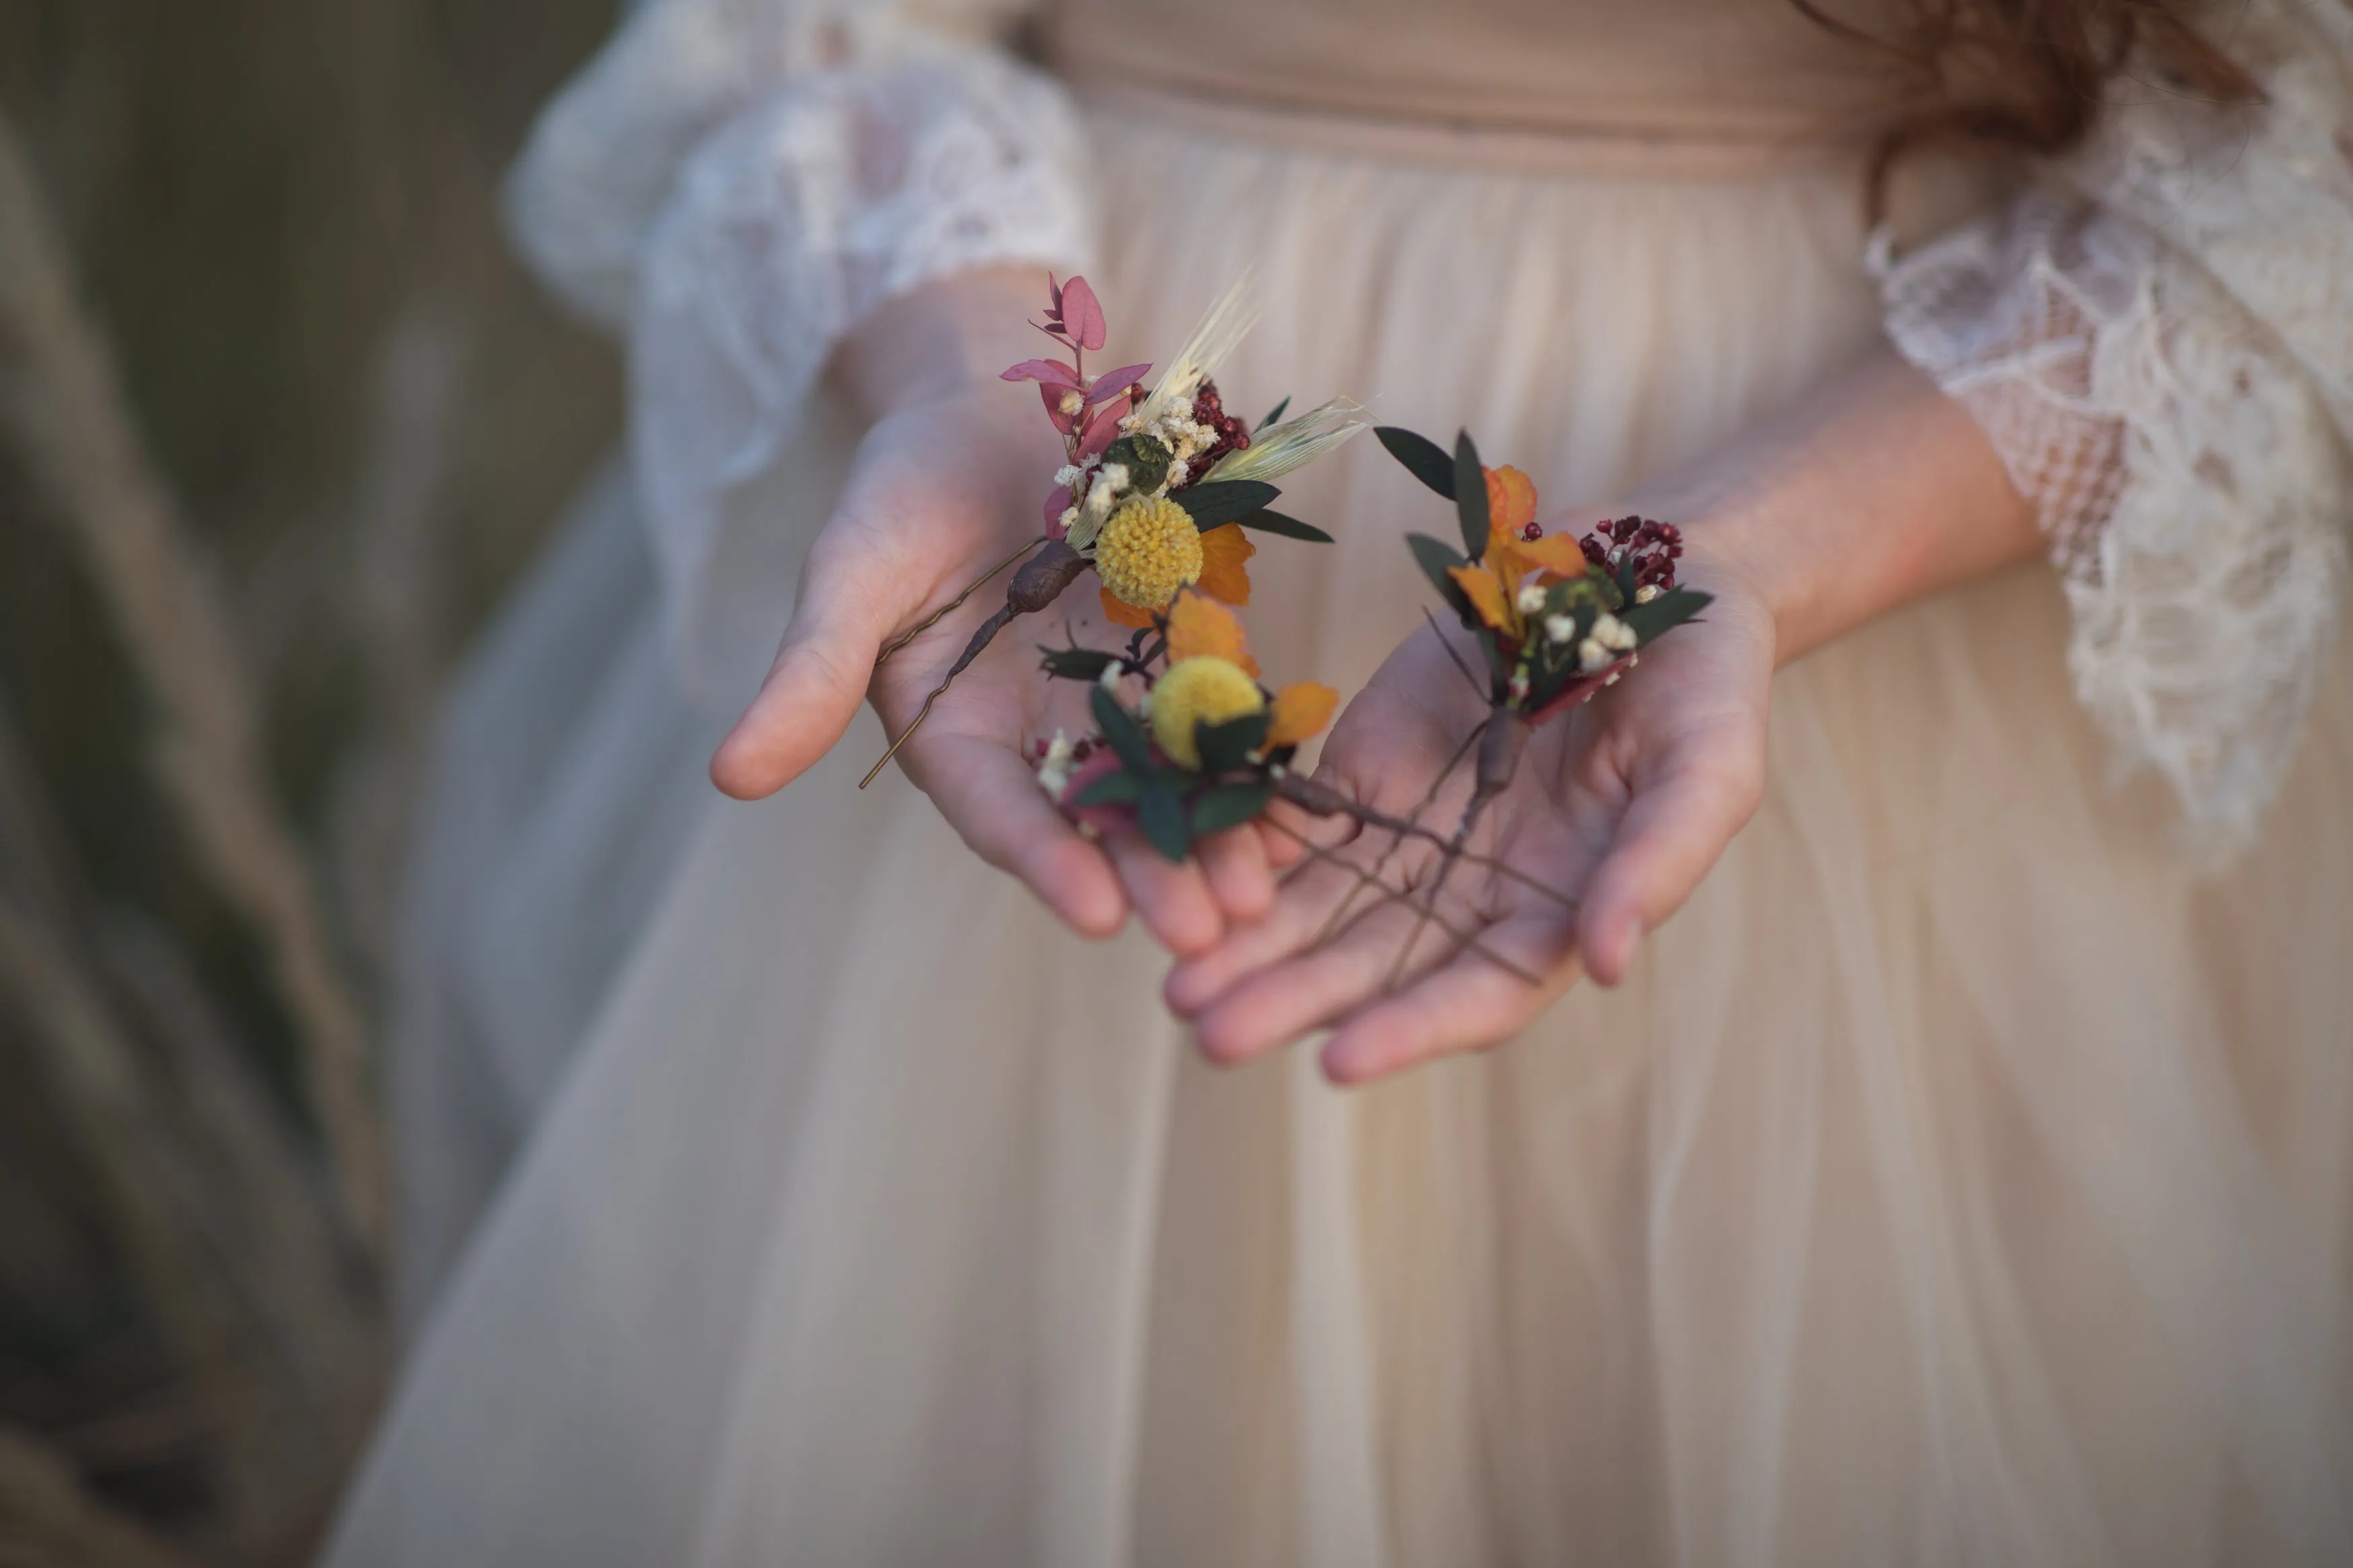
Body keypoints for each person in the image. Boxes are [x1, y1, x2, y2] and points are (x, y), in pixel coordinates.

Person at [331, 0, 2353, 1561]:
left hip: (1898, 579)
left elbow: (2304, 175)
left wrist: (1740, 554)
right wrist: (965, 381)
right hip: (1088, 455)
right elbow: (808, 38)